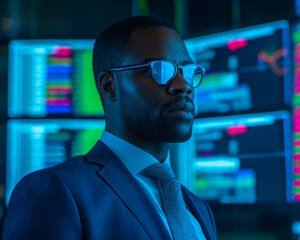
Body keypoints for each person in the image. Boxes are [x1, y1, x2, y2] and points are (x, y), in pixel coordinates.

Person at [3, 15, 217, 240]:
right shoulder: (54, 191)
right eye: (160, 70)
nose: (183, 86)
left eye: (187, 71)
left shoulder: (199, 208)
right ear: (110, 85)